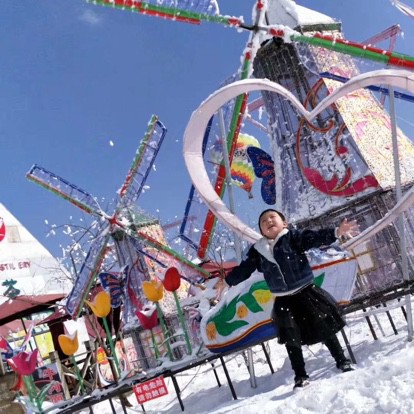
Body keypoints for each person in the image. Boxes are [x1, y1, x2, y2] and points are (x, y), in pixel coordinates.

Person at [223, 209, 360, 389]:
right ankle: (300, 375)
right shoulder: (258, 251)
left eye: (272, 217)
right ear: (261, 231)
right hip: (283, 299)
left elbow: (314, 238)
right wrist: (226, 281)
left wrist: (336, 232)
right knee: (291, 338)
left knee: (324, 327)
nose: (268, 221)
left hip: (306, 292)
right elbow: (244, 269)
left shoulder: (293, 238)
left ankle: (342, 360)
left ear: (284, 223)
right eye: (263, 221)